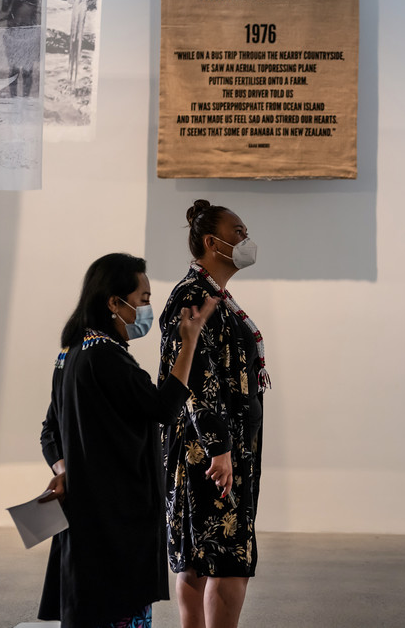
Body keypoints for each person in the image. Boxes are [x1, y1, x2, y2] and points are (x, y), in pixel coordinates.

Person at [38, 253, 217, 627]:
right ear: (114, 302)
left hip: (85, 519)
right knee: (117, 611)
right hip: (115, 522)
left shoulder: (70, 353)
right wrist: (189, 341)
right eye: (144, 299)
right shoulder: (107, 356)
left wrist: (65, 469)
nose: (147, 309)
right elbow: (164, 409)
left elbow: (50, 431)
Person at [159, 199, 268, 628]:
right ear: (212, 241)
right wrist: (219, 448)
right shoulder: (192, 296)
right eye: (238, 232)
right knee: (223, 556)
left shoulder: (215, 296)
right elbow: (190, 379)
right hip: (206, 453)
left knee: (204, 555)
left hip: (222, 449)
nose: (246, 240)